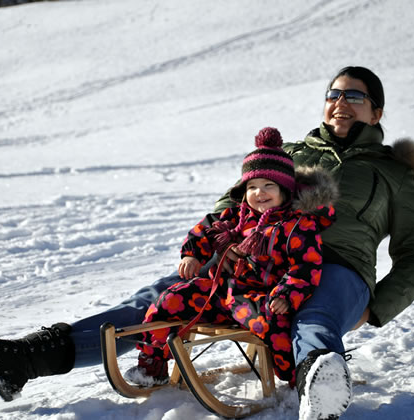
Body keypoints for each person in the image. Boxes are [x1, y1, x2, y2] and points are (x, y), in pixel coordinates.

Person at [0, 66, 414, 420]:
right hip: (255, 258)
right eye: (334, 93)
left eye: (355, 95)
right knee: (152, 304)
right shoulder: (287, 154)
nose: (341, 101)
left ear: (376, 110)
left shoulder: (392, 173)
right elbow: (232, 204)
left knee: (314, 314)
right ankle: (22, 361)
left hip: (336, 268)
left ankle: (321, 388)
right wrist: (203, 249)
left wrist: (374, 309)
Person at [121, 127, 337, 388]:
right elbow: (203, 231)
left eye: (269, 185)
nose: (260, 192)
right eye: (253, 186)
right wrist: (192, 256)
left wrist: (286, 294)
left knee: (275, 323)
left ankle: (301, 380)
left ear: (286, 190)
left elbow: (305, 266)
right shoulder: (234, 217)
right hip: (219, 292)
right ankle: (151, 366)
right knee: (170, 300)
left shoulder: (297, 226)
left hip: (259, 298)